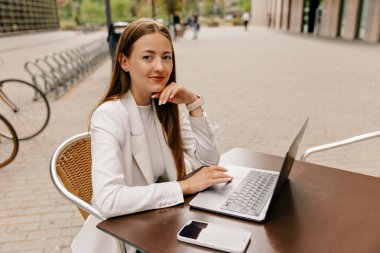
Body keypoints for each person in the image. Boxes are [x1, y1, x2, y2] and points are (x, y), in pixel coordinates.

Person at [71, 18, 232, 253]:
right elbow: (108, 200)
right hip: (127, 238)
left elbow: (209, 159)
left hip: (165, 223)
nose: (160, 67)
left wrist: (192, 103)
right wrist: (182, 187)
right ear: (124, 62)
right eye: (148, 57)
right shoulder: (109, 115)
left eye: (166, 57)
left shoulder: (166, 105)